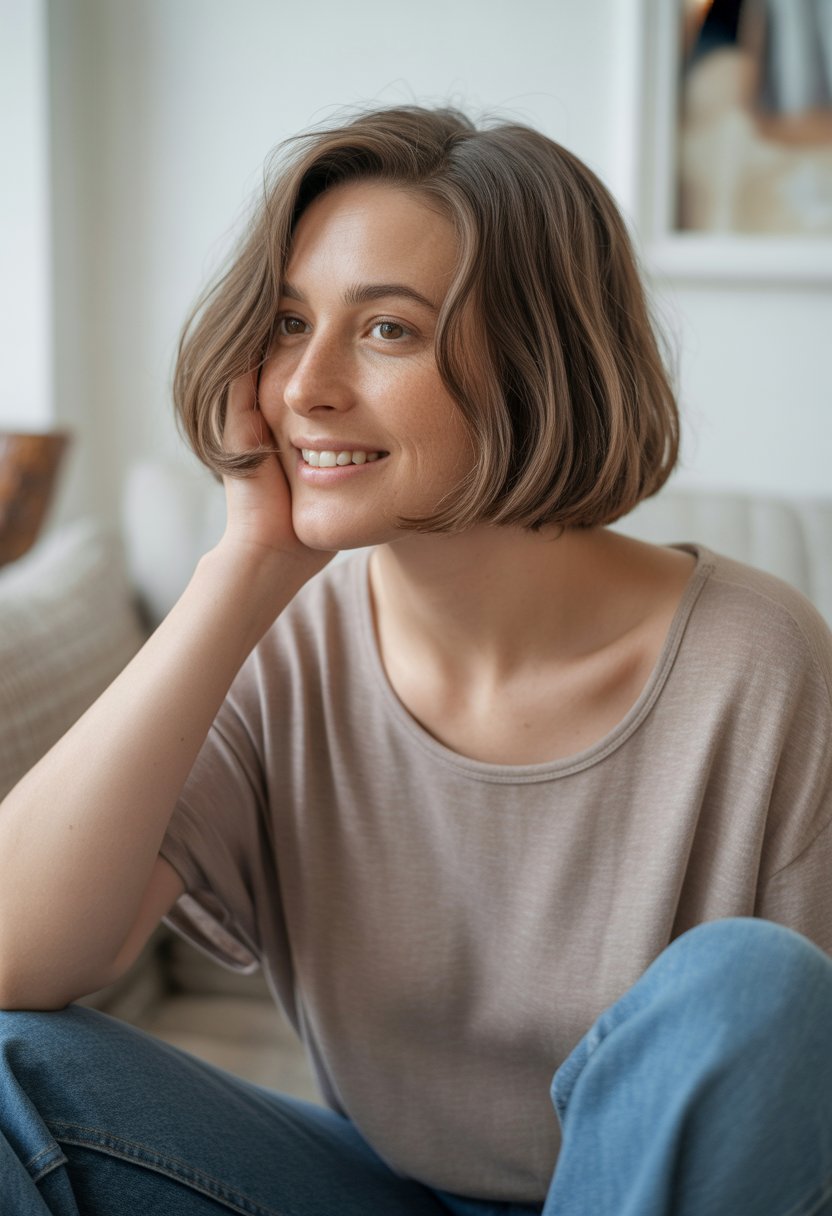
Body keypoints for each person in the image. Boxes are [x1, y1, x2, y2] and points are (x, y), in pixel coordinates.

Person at [1, 104, 831, 1216]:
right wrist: (241, 569)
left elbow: (786, 1095)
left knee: (755, 990)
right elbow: (16, 963)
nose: (304, 387)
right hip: (375, 1192)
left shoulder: (759, 662)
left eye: (386, 329)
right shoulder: (283, 644)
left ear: (541, 358)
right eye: (290, 322)